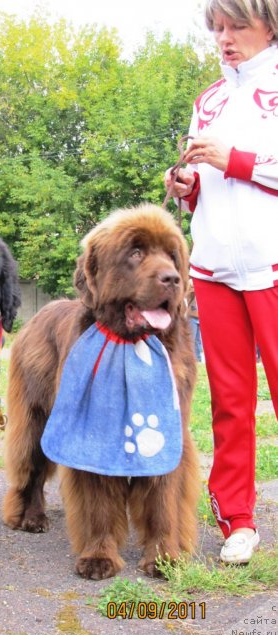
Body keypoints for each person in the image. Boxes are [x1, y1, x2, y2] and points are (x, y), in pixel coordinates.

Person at [165, 0, 278, 564]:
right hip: (212, 269)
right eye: (218, 28)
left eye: (237, 26)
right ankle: (238, 518)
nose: (225, 38)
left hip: (273, 264)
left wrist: (234, 159)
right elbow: (205, 186)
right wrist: (187, 184)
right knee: (231, 401)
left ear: (270, 24)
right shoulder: (206, 100)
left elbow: (252, 167)